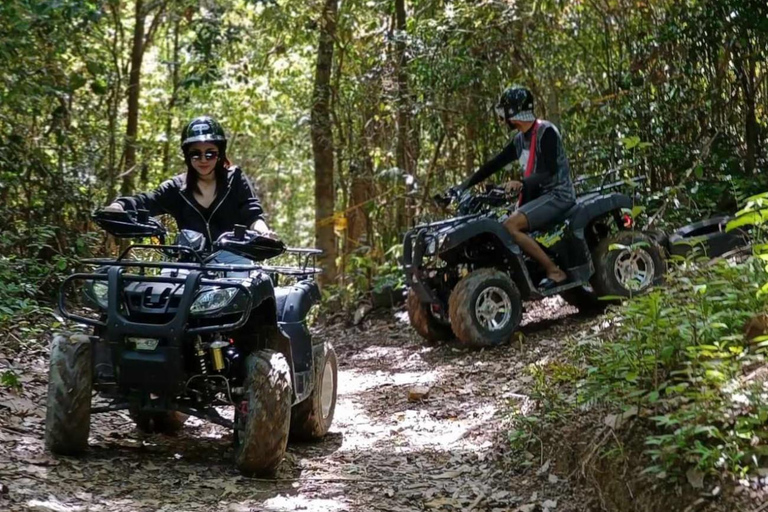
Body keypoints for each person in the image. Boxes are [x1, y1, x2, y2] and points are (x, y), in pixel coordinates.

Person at [450, 86, 576, 290]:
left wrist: (521, 183)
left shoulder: (547, 132)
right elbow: (494, 164)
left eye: (505, 113)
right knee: (498, 222)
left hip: (558, 194)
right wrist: (463, 186)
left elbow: (550, 171)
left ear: (514, 113)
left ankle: (554, 271)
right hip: (539, 197)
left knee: (510, 225)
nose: (503, 119)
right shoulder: (520, 139)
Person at [104, 116, 273, 246]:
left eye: (210, 153)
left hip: (234, 262)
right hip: (188, 263)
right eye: (195, 153)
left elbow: (252, 214)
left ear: (220, 153)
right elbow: (147, 201)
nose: (203, 160)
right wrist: (119, 206)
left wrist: (263, 233)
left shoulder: (234, 179)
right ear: (187, 155)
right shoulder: (177, 187)